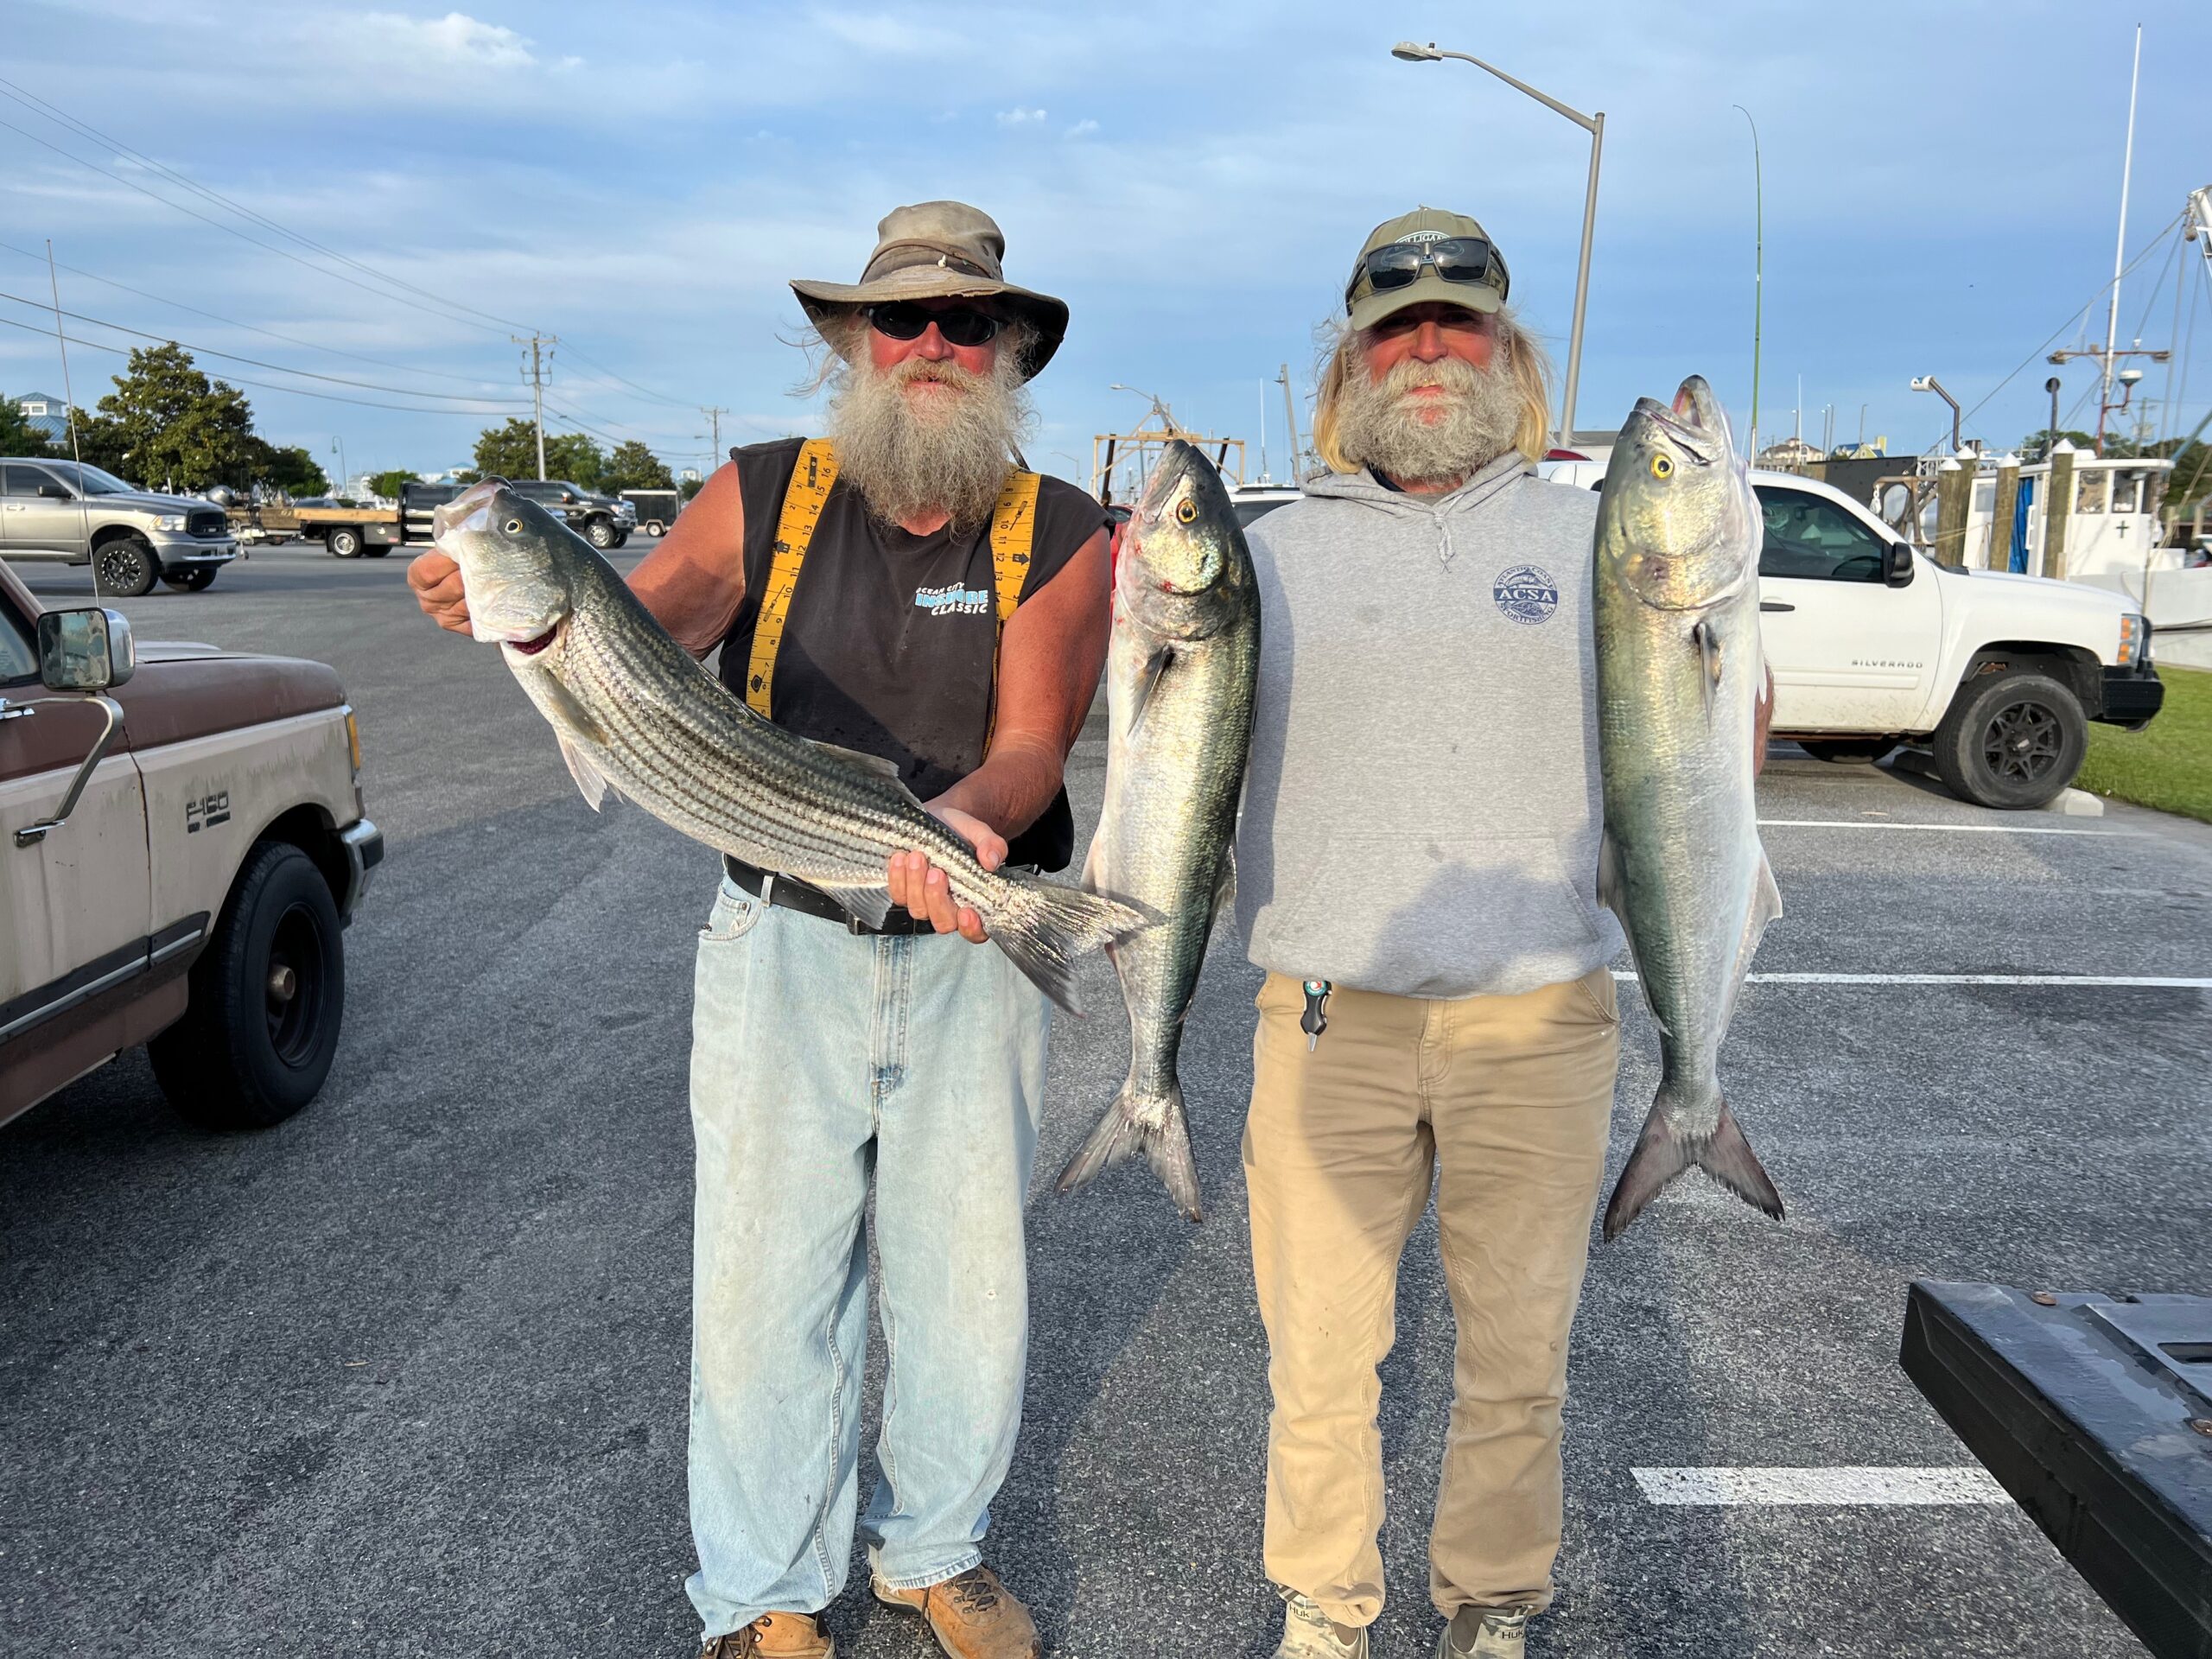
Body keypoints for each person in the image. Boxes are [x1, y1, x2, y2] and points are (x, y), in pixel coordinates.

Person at [409, 200, 1112, 1659]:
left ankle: (935, 1552)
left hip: (969, 939)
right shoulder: (764, 492)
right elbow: (637, 617)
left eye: (962, 322)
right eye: (897, 320)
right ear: (850, 343)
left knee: (967, 1278)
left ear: (1008, 350)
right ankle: (765, 1594)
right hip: (781, 934)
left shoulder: (1060, 528)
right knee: (764, 1279)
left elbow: (1037, 743)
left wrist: (971, 836)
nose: (928, 345)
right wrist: (497, 593)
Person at [1232, 207, 1767, 1659]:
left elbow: (1706, 744)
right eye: (1393, 325)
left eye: (1454, 320)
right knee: (1322, 1358)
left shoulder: (1602, 531)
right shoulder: (1264, 558)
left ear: (1507, 346)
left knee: (1518, 1357)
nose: (1425, 349)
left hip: (1543, 1018)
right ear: (1348, 358)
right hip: (1326, 1017)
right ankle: (1326, 1610)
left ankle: (1491, 1606)